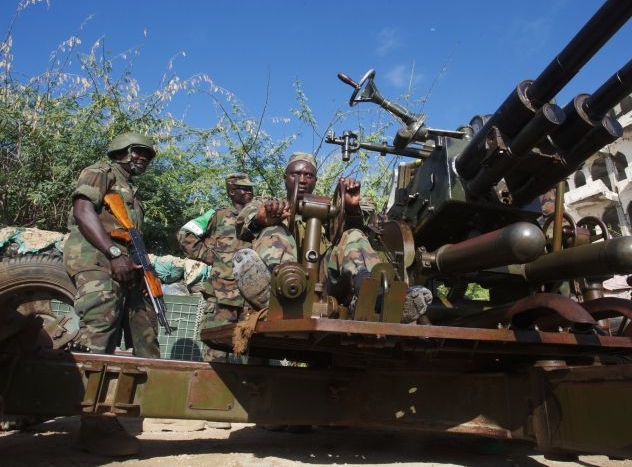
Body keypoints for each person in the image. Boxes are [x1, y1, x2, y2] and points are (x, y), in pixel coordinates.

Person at [233, 152, 432, 322]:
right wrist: (262, 219)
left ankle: (375, 297)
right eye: (296, 174)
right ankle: (273, 293)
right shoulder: (268, 205)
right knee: (273, 230)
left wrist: (352, 207)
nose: (302, 180)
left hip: (328, 284)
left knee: (353, 235)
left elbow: (360, 230)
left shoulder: (330, 210)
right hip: (286, 281)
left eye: (308, 175)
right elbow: (245, 222)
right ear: (285, 177)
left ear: (315, 181)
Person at [62, 131, 159, 456]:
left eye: (147, 154)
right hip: (95, 256)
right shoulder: (100, 172)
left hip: (126, 265)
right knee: (100, 334)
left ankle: (152, 406)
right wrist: (114, 253)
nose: (143, 157)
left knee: (146, 332)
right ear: (121, 151)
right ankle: (95, 426)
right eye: (138, 151)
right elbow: (82, 210)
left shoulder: (132, 193)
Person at [177, 172, 254, 362]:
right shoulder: (217, 215)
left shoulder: (259, 218)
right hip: (221, 297)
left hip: (252, 299)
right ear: (231, 192)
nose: (248, 192)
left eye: (250, 188)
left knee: (255, 354)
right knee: (216, 353)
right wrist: (213, 257)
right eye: (242, 188)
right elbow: (185, 235)